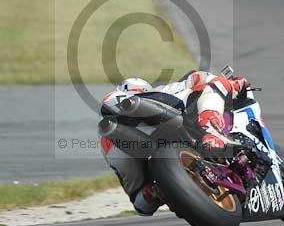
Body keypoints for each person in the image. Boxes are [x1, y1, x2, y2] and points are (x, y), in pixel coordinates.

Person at [99, 71, 250, 216]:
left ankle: (154, 192)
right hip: (169, 129)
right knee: (215, 85)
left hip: (130, 142)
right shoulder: (166, 90)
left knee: (140, 201)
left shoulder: (109, 136)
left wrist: (148, 193)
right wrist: (235, 85)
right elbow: (204, 78)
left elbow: (139, 202)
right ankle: (211, 132)